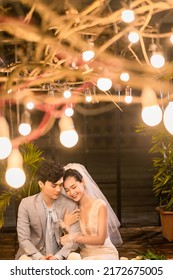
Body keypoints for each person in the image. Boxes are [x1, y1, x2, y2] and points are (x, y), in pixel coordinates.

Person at [15, 160, 80, 260]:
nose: (58, 189)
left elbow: (74, 240)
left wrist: (57, 257)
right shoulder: (26, 204)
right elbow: (23, 239)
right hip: (34, 256)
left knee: (75, 257)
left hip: (61, 256)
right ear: (41, 184)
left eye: (60, 185)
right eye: (54, 186)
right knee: (24, 260)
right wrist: (40, 258)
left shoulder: (70, 205)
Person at [61, 163, 123, 260]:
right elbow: (72, 246)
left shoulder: (100, 205)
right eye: (67, 190)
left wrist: (74, 238)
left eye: (74, 187)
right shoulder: (73, 212)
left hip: (105, 254)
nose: (72, 193)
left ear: (82, 182)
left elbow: (101, 239)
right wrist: (66, 226)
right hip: (86, 255)